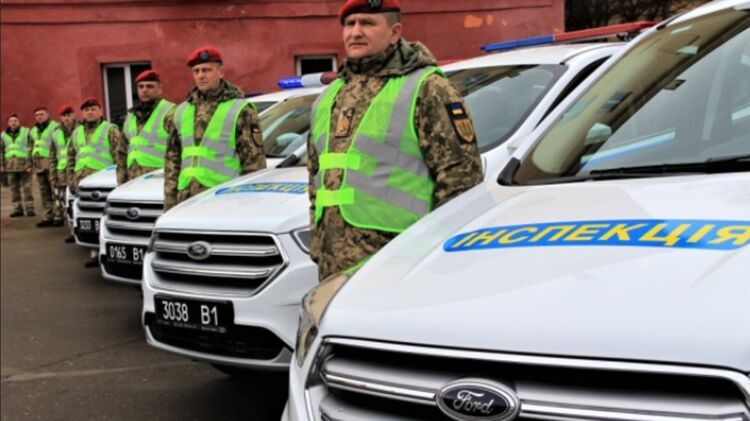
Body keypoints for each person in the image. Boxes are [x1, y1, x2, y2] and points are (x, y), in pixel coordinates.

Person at [307, 0, 484, 280]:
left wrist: (436, 257)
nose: (355, 32)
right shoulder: (330, 96)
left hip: (401, 262)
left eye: (367, 23)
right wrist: (318, 243)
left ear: (395, 32)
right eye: (350, 24)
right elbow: (316, 177)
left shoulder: (428, 88)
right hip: (333, 266)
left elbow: (461, 181)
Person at [163, 46, 266, 211]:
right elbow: (172, 161)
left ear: (221, 72)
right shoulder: (181, 111)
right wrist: (170, 204)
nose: (201, 76)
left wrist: (249, 207)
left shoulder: (241, 110)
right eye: (196, 71)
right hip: (186, 200)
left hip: (225, 199)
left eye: (206, 70)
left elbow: (254, 164)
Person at [67, 97, 127, 267]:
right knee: (89, 219)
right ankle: (94, 252)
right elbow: (71, 157)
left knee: (105, 218)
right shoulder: (76, 132)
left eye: (93, 109)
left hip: (104, 184)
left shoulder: (110, 130)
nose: (90, 112)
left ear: (100, 111)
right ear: (82, 113)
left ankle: (107, 252)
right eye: (86, 110)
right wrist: (70, 179)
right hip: (82, 183)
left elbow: (119, 156)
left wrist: (119, 181)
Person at [122, 69, 175, 182]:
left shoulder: (170, 112)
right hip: (133, 178)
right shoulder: (131, 115)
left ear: (159, 89)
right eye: (141, 87)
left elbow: (178, 149)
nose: (144, 90)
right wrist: (121, 181)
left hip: (160, 177)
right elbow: (122, 151)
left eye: (149, 86)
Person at [29, 106, 59, 227]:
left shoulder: (55, 127)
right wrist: (30, 163)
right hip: (38, 164)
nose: (39, 117)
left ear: (47, 114)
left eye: (41, 114)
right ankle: (48, 216)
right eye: (36, 115)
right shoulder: (33, 130)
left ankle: (58, 216)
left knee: (55, 190)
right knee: (44, 192)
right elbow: (31, 147)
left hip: (51, 162)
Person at [50, 104, 78, 232]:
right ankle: (71, 228)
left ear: (73, 115)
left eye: (69, 115)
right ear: (60, 117)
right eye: (64, 116)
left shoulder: (81, 129)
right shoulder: (56, 132)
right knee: (64, 200)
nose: (66, 118)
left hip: (77, 171)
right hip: (61, 172)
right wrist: (53, 175)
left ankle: (77, 227)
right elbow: (52, 156)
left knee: (76, 199)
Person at [1, 114, 35, 217]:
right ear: (8, 123)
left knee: (27, 188)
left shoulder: (26, 132)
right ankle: (17, 209)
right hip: (10, 166)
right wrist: (2, 164)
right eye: (11, 121)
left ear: (19, 121)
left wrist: (30, 164)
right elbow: (1, 151)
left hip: (24, 165)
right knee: (14, 189)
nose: (13, 123)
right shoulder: (3, 135)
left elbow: (31, 148)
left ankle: (30, 208)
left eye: (15, 120)